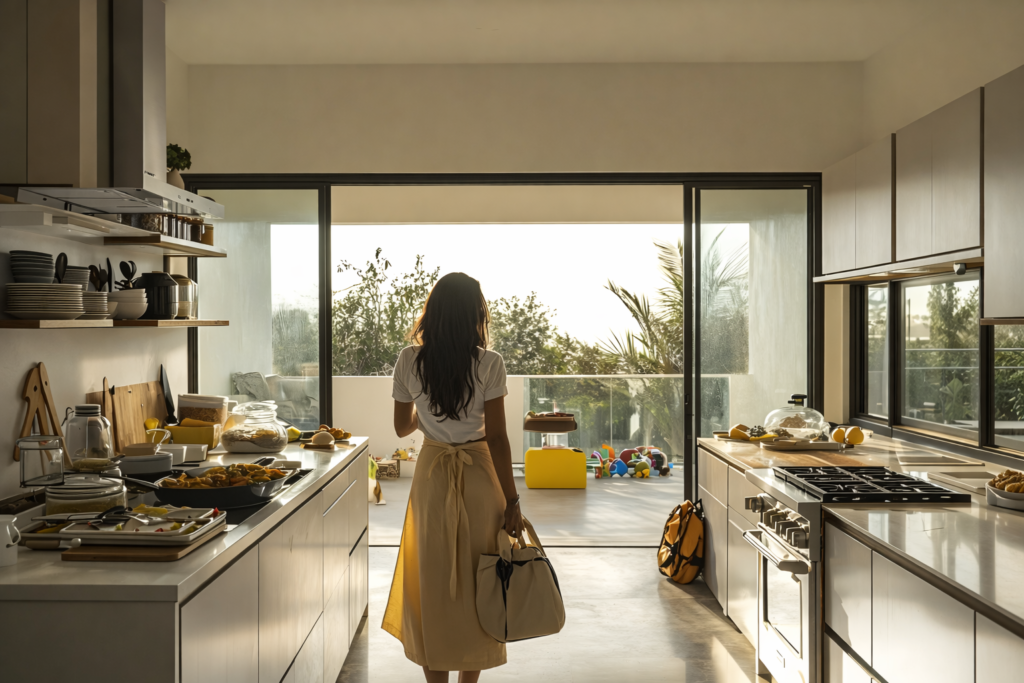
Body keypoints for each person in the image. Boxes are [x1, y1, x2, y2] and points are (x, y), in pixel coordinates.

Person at [382, 272, 524, 683]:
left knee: (433, 582)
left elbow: (401, 427)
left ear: (434, 313)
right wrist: (512, 501)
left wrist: (428, 411)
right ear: (475, 314)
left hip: (432, 477)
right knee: (481, 578)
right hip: (481, 477)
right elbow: (496, 438)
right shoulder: (489, 363)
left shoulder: (410, 360)